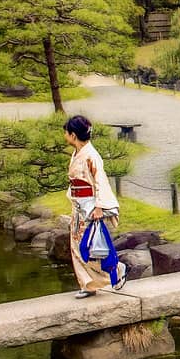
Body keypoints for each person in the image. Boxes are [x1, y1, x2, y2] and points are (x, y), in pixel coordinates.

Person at [64, 115, 126, 298]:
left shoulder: (91, 155)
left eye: (66, 133)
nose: (65, 136)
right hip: (79, 205)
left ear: (73, 135)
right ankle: (88, 284)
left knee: (88, 245)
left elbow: (100, 181)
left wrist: (100, 206)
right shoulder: (78, 153)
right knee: (76, 245)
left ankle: (115, 268)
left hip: (90, 205)